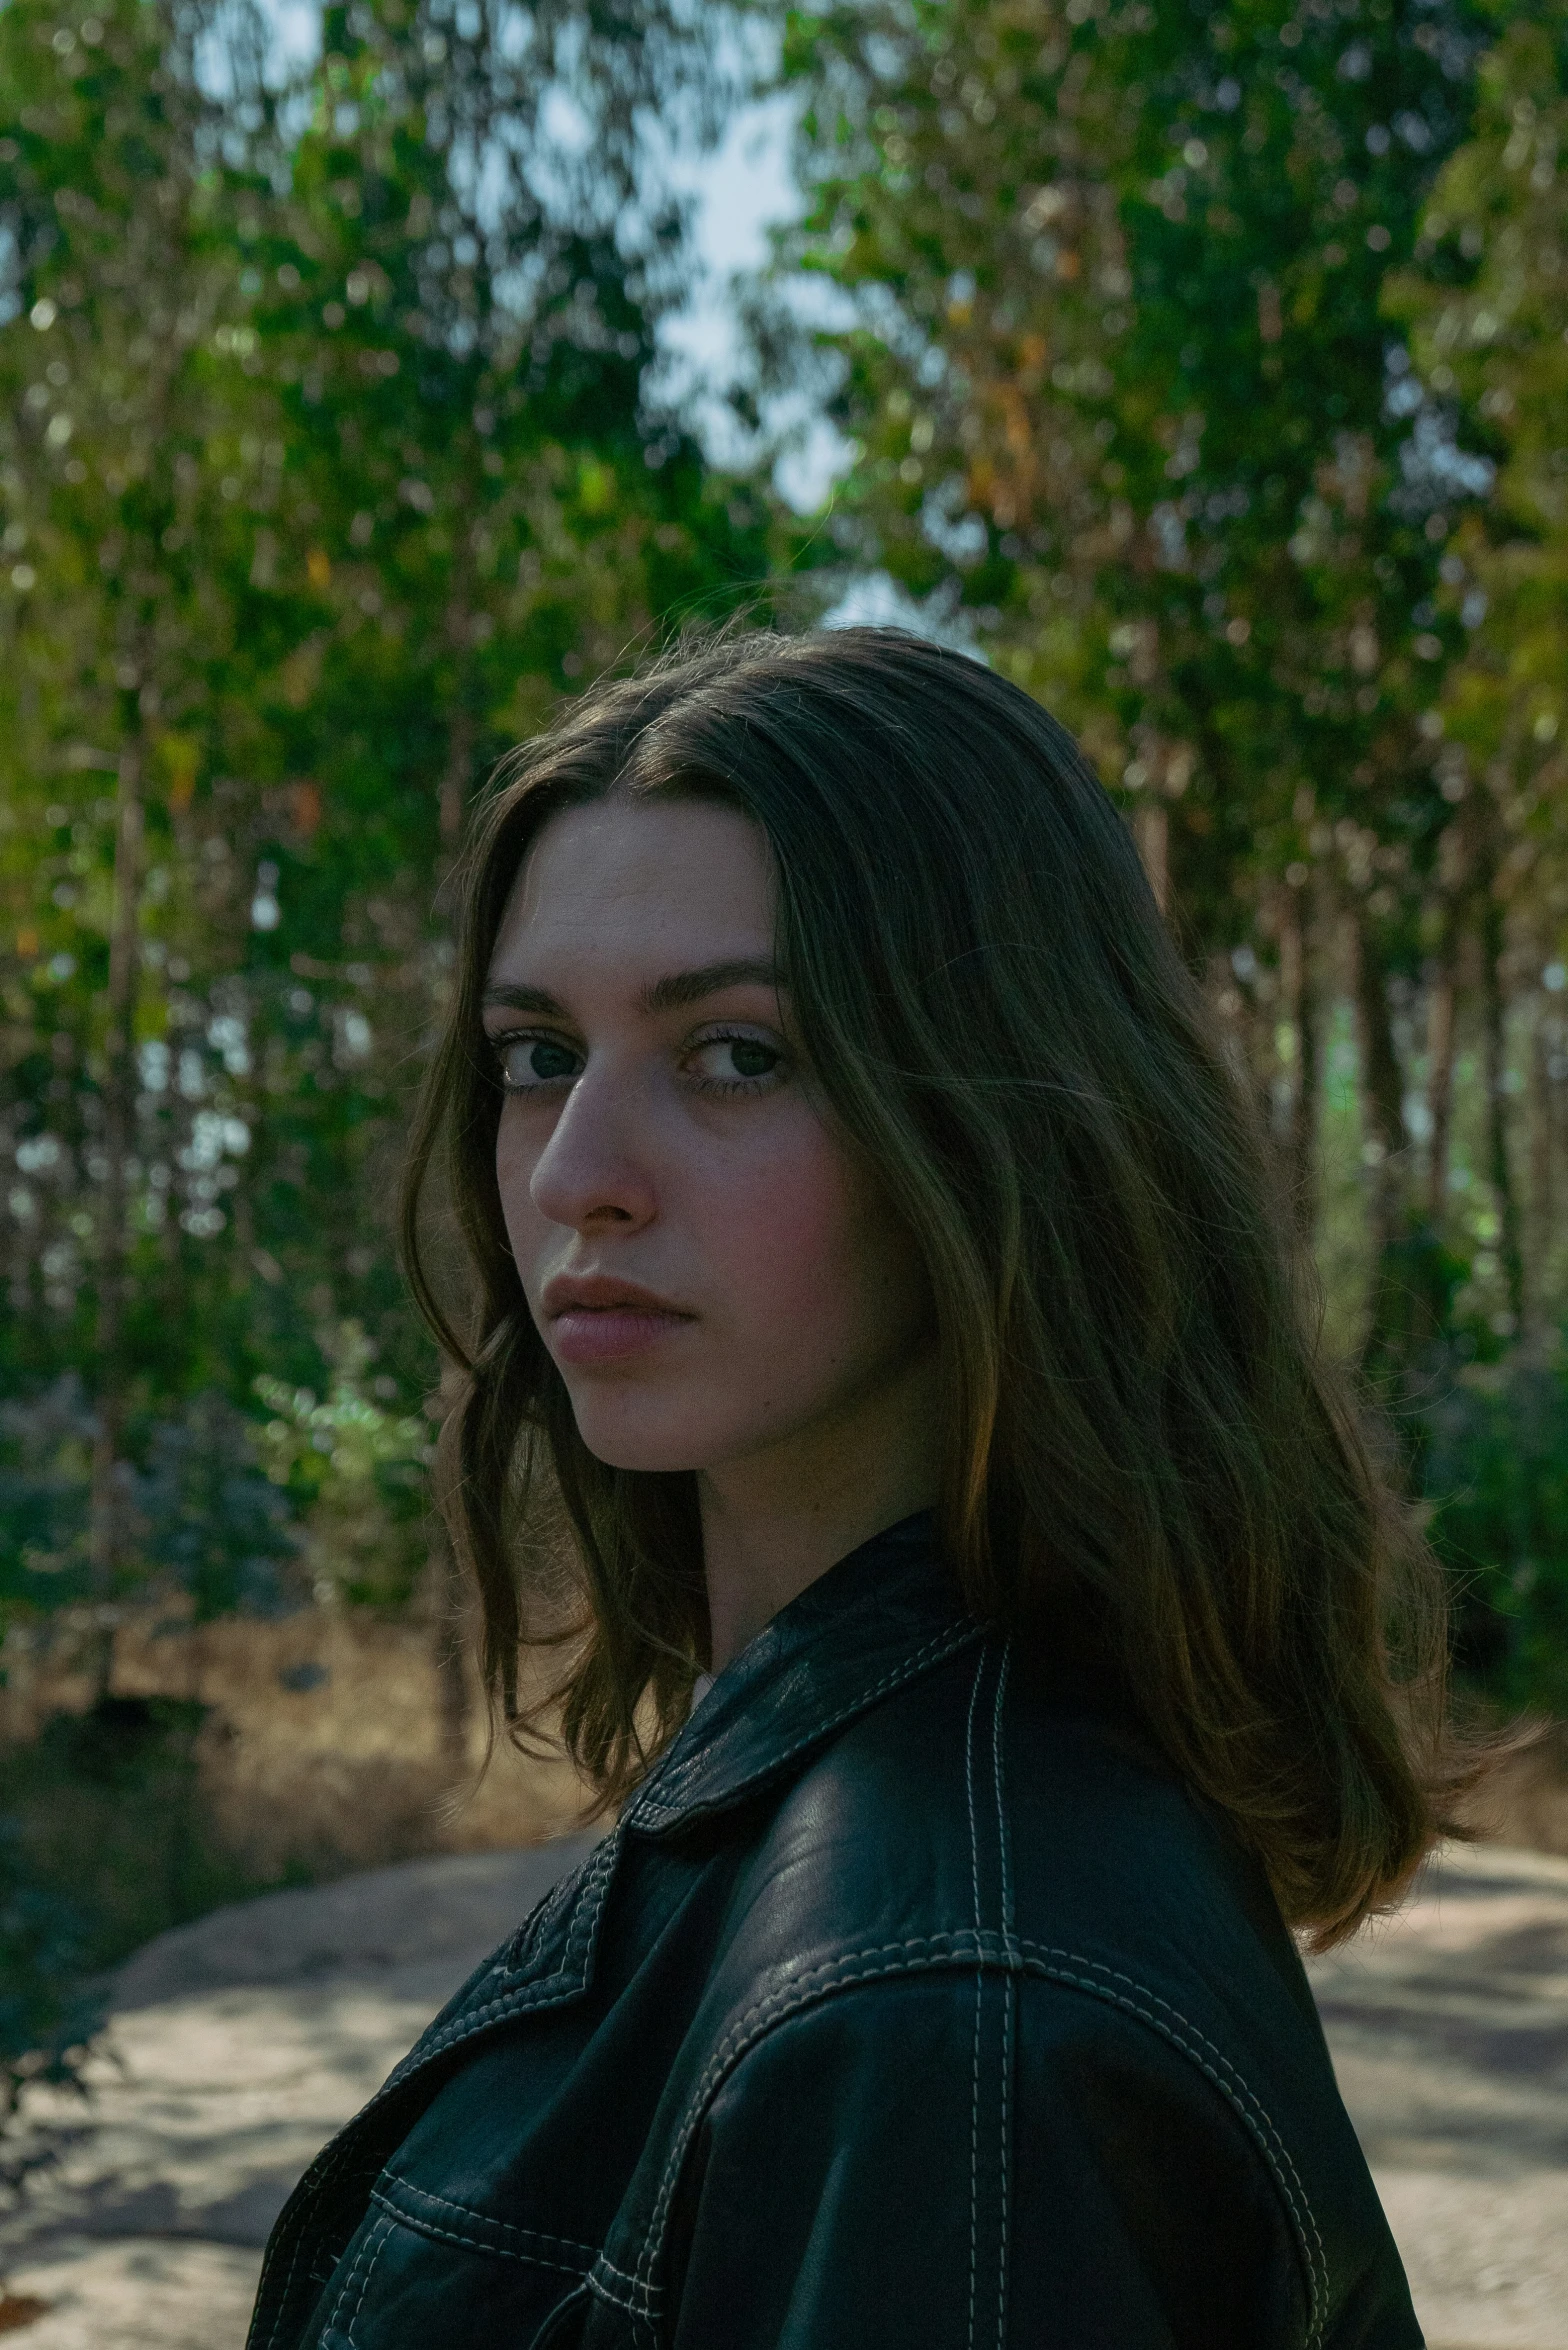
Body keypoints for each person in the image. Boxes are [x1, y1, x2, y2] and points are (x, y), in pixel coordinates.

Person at [247, 626, 1467, 2350]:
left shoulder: (948, 2016)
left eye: (737, 1053)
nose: (578, 1174)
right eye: (538, 1055)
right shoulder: (882, 1799)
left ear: (999, 1118)